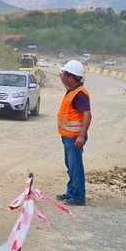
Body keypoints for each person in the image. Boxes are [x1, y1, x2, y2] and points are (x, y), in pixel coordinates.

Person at [55, 60, 92, 206]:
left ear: (71, 77)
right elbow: (68, 84)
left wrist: (82, 136)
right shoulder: (73, 90)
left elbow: (87, 115)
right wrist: (63, 79)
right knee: (70, 165)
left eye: (64, 74)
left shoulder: (79, 94)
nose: (62, 75)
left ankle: (78, 196)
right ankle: (71, 192)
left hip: (75, 138)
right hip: (68, 137)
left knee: (75, 166)